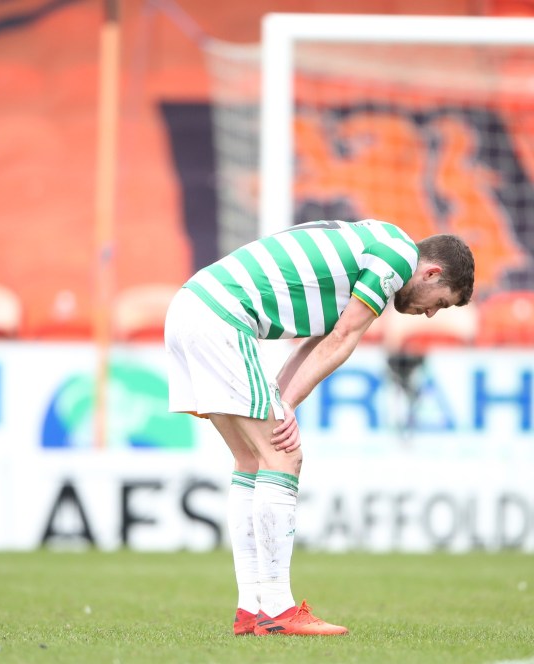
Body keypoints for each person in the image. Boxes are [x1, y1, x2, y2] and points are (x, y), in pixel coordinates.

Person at [164, 219, 474, 636]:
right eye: (442, 302)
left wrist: (280, 398)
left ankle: (251, 608)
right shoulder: (397, 256)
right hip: (221, 316)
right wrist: (285, 403)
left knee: (251, 458)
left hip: (192, 306)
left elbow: (317, 340)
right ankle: (277, 609)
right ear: (432, 273)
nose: (432, 313)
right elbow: (343, 338)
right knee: (284, 455)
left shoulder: (373, 249)